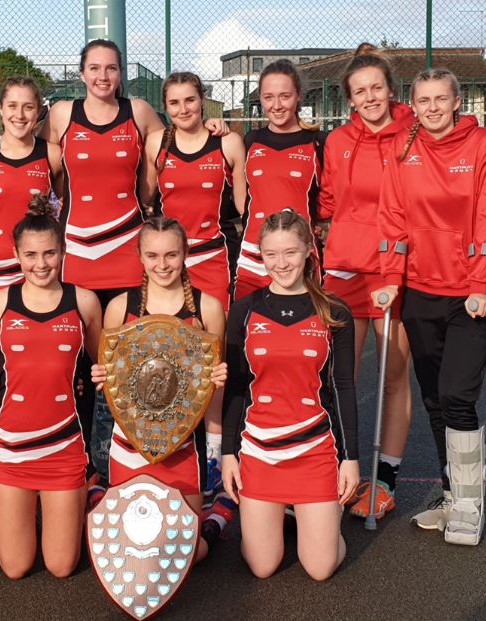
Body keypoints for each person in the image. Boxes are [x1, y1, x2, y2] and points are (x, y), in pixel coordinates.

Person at [0, 39, 227, 484]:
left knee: (134, 360)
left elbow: (177, 140)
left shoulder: (141, 111)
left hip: (126, 254)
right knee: (82, 365)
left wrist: (216, 125)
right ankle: (83, 462)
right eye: (94, 68)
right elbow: (22, 137)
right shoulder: (64, 114)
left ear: (120, 72)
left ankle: (155, 456)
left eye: (110, 68)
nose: (102, 76)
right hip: (77, 258)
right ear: (82, 72)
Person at [372, 68, 486, 545]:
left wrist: (480, 283)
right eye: (423, 100)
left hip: (474, 293)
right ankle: (453, 494)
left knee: (456, 395)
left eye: (440, 99)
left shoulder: (484, 144)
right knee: (432, 398)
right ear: (414, 103)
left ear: (456, 102)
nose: (431, 108)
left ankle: (471, 505)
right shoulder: (402, 149)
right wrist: (390, 279)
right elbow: (391, 217)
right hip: (420, 289)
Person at [222, 210, 358, 580]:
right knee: (263, 567)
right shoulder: (243, 311)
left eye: (290, 253)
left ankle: (324, 522)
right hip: (259, 450)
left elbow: (344, 388)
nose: (281, 264)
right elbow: (236, 387)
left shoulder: (334, 312)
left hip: (313, 451)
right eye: (271, 254)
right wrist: (228, 453)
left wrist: (350, 459)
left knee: (320, 568)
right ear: (260, 255)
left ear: (308, 252)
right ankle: (281, 513)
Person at [0, 195, 102, 579]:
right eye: (30, 255)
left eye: (49, 253)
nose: (40, 264)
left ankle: (88, 493)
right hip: (11, 450)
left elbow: (108, 368)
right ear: (16, 253)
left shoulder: (84, 301)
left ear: (63, 251)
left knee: (62, 567)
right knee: (15, 568)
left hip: (64, 449)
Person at [91, 217, 229, 562]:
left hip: (184, 448)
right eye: (152, 255)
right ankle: (95, 494)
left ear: (185, 254)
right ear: (139, 255)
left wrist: (214, 444)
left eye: (171, 255)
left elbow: (211, 388)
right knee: (128, 553)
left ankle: (219, 516)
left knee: (183, 556)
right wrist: (101, 377)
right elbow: (113, 388)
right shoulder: (119, 307)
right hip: (129, 446)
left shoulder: (208, 308)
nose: (162, 264)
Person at [318, 44, 414, 519]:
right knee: (342, 377)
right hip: (346, 271)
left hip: (396, 269)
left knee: (393, 374)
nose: (370, 97)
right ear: (349, 99)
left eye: (377, 87)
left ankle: (387, 477)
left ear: (391, 90)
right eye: (361, 91)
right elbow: (329, 200)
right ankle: (342, 469)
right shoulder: (338, 141)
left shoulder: (415, 132)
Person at [0, 76, 64, 447]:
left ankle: (36, 450)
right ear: (1, 110)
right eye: (12, 106)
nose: (20, 114)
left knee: (35, 369)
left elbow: (61, 209)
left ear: (38, 112)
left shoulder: (51, 154)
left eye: (28, 107)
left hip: (38, 276)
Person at [142, 71, 247, 310]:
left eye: (190, 100)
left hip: (215, 256)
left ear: (202, 99)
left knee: (216, 336)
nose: (183, 109)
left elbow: (244, 207)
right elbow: (143, 198)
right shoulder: (156, 142)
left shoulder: (228, 143)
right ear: (165, 107)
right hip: (167, 260)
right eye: (174, 103)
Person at [235, 60, 325, 301]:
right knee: (248, 331)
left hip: (298, 256)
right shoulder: (250, 140)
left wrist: (321, 225)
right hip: (253, 255)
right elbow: (241, 198)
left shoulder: (318, 141)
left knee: (301, 332)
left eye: (284, 96)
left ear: (298, 97)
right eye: (268, 97)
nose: (276, 105)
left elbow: (332, 198)